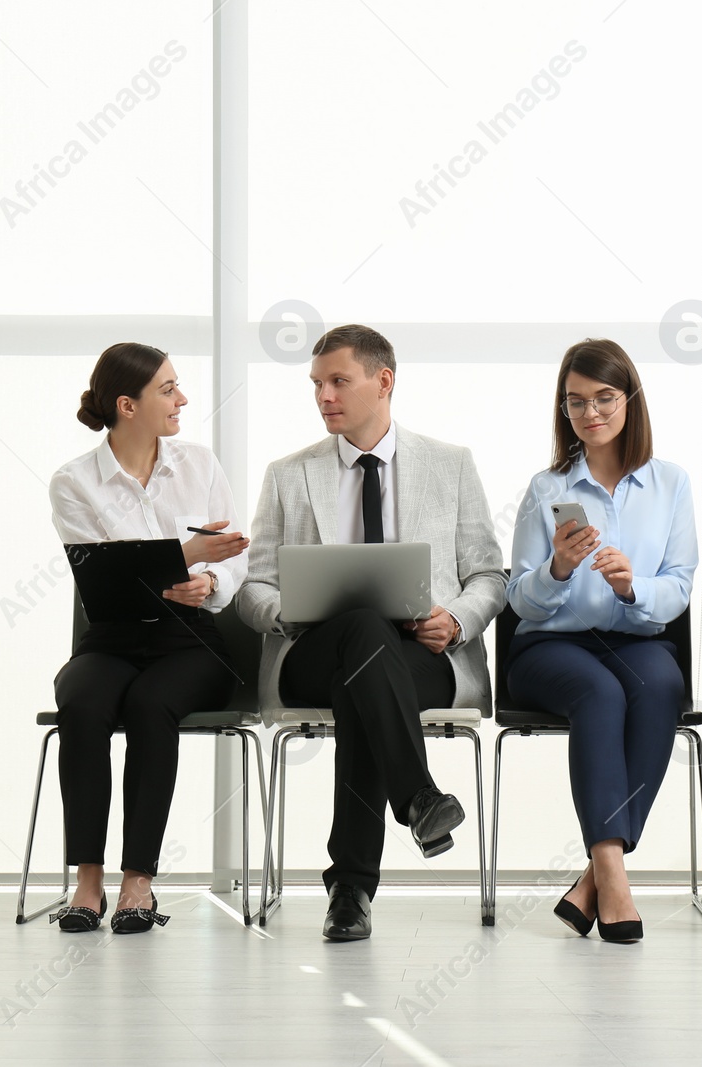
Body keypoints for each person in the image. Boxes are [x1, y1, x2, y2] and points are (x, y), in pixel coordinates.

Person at [237, 324, 505, 942]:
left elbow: (490, 574)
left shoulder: (450, 465)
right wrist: (289, 612)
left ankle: (351, 889)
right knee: (359, 631)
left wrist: (457, 619)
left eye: (338, 381)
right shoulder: (288, 475)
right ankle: (417, 795)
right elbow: (254, 588)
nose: (323, 396)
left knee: (367, 677)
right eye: (316, 385)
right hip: (313, 652)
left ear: (383, 381)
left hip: (423, 653)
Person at [48, 342, 249, 934]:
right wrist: (183, 557)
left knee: (149, 704)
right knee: (81, 702)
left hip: (191, 639)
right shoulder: (74, 483)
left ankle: (139, 881)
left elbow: (237, 556)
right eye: (168, 389)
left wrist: (208, 580)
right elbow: (104, 578)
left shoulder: (200, 464)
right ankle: (88, 882)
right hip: (110, 639)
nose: (182, 398)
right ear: (127, 405)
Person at [505, 339, 697, 945]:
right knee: (599, 692)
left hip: (636, 638)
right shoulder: (547, 488)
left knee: (661, 684)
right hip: (549, 647)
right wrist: (557, 569)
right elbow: (519, 600)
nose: (590, 413)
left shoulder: (670, 484)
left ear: (629, 399)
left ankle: (593, 873)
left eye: (604, 398)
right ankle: (613, 878)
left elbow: (680, 587)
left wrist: (633, 586)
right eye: (576, 402)